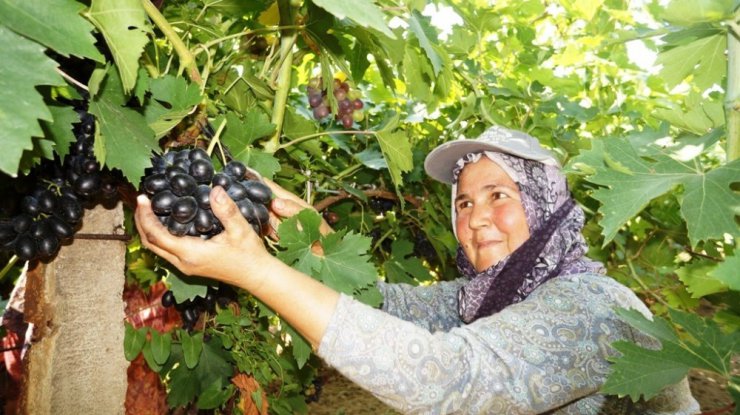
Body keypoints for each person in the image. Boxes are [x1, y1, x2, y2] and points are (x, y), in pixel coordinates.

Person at [135, 126, 701, 414]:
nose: (477, 219)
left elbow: (447, 379)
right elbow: (390, 308)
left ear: (545, 200)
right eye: (463, 202)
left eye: (498, 194)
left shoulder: (593, 310)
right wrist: (317, 243)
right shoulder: (489, 297)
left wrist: (258, 273)